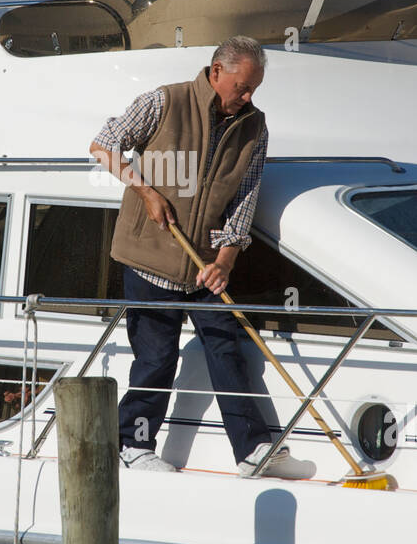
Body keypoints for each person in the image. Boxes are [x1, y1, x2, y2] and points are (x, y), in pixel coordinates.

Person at [88, 35, 315, 479]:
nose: (248, 97)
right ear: (216, 73)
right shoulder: (162, 102)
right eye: (242, 87)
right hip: (149, 259)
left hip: (205, 265)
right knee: (156, 358)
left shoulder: (255, 127)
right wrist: (146, 191)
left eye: (254, 89)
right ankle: (132, 444)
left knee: (226, 348)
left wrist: (226, 260)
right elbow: (103, 145)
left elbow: (245, 198)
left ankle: (253, 451)